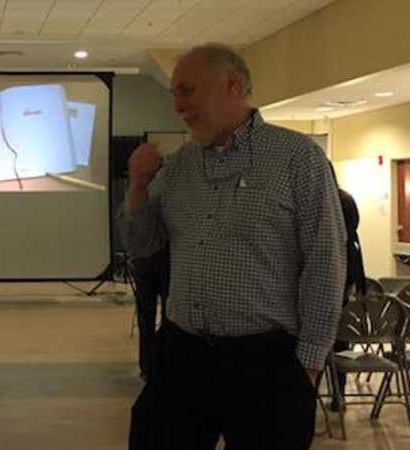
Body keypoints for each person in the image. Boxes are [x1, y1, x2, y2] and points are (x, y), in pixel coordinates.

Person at [125, 44, 346, 450]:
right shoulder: (179, 166)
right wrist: (137, 186)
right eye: (174, 94)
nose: (178, 106)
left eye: (187, 91)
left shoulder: (298, 159)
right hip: (183, 354)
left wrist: (309, 367)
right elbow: (142, 245)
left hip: (266, 362)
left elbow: (325, 263)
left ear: (231, 85)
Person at [331, 187, 367, 411]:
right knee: (342, 341)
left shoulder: (330, 199)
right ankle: (339, 394)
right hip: (346, 285)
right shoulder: (346, 199)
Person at [130, 245, 169, 380]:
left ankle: (149, 367)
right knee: (167, 315)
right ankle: (159, 364)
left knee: (148, 317)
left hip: (145, 256)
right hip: (163, 255)